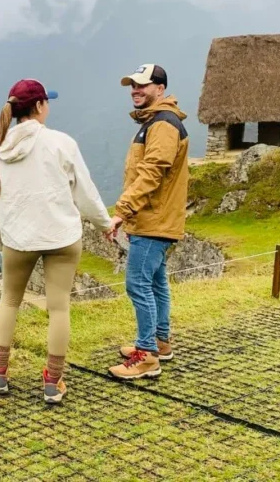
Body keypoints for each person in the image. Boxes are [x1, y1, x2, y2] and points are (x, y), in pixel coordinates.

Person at [0, 78, 112, 403]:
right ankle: (53, 382)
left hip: (18, 239)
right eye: (47, 102)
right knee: (59, 308)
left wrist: (2, 242)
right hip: (62, 237)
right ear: (39, 106)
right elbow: (85, 192)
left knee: (10, 301)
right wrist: (104, 224)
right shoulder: (61, 143)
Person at [107, 64, 190, 380]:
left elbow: (153, 171)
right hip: (155, 218)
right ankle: (160, 342)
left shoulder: (163, 125)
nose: (135, 91)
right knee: (155, 282)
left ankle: (146, 357)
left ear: (161, 88)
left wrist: (122, 210)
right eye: (132, 86)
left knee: (137, 283)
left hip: (153, 220)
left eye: (142, 85)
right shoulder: (155, 121)